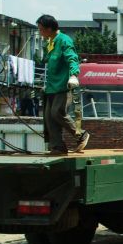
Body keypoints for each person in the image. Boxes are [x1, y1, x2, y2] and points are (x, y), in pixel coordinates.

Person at [37, 15, 89, 155]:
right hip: (51, 87)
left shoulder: (64, 40)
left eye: (41, 30)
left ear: (49, 29)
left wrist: (74, 74)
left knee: (57, 112)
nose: (40, 32)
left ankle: (81, 134)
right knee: (49, 117)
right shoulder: (50, 42)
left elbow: (72, 58)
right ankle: (58, 146)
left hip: (62, 86)